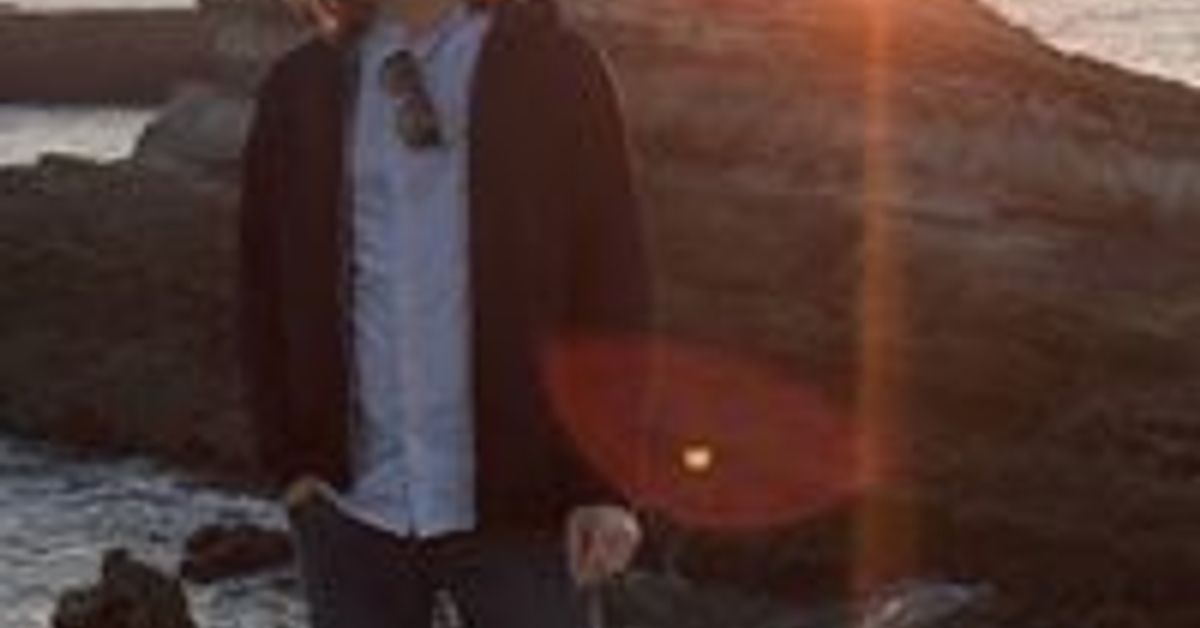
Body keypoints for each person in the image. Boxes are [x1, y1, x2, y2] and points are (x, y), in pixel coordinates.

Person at [235, 0, 652, 625]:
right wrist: (290, 461)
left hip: (526, 506)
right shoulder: (300, 85)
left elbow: (612, 281)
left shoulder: (558, 69)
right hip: (351, 511)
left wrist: (605, 485)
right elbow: (260, 282)